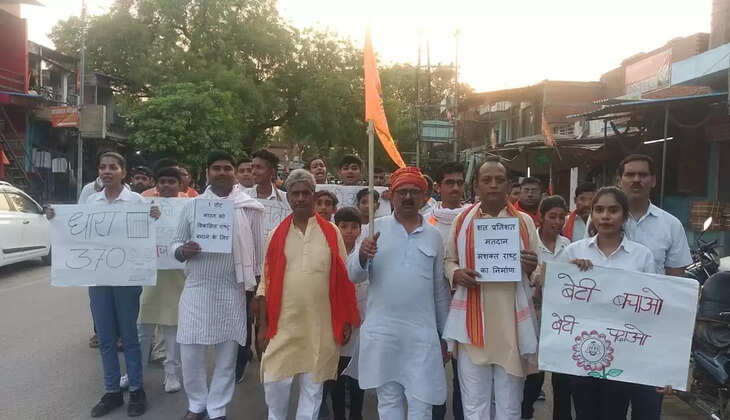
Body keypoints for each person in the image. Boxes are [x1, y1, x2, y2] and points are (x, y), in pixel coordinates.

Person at [46, 152, 151, 417]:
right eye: (102, 167)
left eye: (113, 167)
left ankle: (136, 389)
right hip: (99, 278)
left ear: (123, 172)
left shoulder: (137, 202)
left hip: (127, 280)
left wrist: (156, 217)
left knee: (129, 336)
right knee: (105, 338)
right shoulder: (91, 201)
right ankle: (112, 391)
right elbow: (74, 229)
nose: (107, 171)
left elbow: (147, 235)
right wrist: (55, 216)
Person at [348, 166, 451, 420]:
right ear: (391, 196)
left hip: (421, 336)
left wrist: (445, 334)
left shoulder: (434, 236)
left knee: (422, 404)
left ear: (424, 197)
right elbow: (354, 275)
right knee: (389, 403)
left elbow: (439, 290)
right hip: (383, 334)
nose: (407, 197)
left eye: (414, 192)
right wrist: (362, 254)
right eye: (401, 191)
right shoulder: (375, 229)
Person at [256, 169, 360, 420]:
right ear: (289, 197)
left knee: (312, 392)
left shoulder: (331, 232)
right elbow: (265, 284)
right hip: (283, 326)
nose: (301, 198)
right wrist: (262, 327)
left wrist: (346, 319)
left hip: (320, 326)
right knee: (275, 383)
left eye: (306, 193)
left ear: (313, 195)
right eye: (295, 193)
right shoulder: (275, 234)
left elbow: (343, 279)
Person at [171, 150, 266, 420]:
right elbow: (175, 243)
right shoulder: (193, 206)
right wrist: (183, 250)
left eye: (227, 168)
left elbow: (259, 257)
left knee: (227, 356)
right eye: (216, 168)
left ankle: (217, 409)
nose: (222, 172)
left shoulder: (250, 208)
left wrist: (256, 295)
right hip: (197, 288)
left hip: (232, 290)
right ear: (207, 172)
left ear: (234, 172)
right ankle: (196, 404)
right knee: (190, 351)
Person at [444, 156, 540, 420]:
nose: (494, 185)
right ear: (476, 186)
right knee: (474, 405)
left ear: (509, 185)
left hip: (511, 325)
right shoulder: (462, 221)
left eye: (500, 180)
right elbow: (448, 260)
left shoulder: (524, 222)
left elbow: (539, 267)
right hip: (472, 326)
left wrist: (531, 266)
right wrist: (456, 273)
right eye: (487, 180)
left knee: (510, 405)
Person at [556, 187, 657, 420]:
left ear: (625, 215)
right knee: (584, 413)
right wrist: (569, 272)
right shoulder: (574, 251)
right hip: (580, 353)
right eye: (599, 210)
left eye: (613, 210)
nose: (605, 216)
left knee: (615, 413)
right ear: (592, 214)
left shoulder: (642, 256)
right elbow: (553, 294)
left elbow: (651, 309)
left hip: (623, 354)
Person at [614, 154, 692, 419]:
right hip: (610, 329)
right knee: (608, 409)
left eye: (643, 174)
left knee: (647, 410)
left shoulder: (671, 225)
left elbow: (677, 289)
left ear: (653, 180)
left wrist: (671, 358)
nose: (636, 180)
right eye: (630, 174)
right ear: (620, 180)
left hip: (651, 335)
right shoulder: (603, 220)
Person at [521, 196, 572, 420]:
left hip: (561, 319)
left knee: (562, 380)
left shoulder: (569, 246)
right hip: (534, 316)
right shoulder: (530, 244)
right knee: (533, 377)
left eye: (561, 217)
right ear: (541, 217)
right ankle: (525, 414)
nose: (557, 222)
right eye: (552, 216)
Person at [138, 166, 186, 394]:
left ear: (180, 185)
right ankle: (136, 372)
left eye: (171, 181)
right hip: (149, 273)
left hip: (176, 274)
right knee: (143, 325)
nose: (166, 185)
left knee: (171, 327)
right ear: (156, 185)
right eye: (162, 181)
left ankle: (171, 373)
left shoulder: (189, 207)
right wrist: (147, 218)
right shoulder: (144, 206)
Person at [428, 161, 468, 420]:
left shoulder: (474, 219)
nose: (455, 188)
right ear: (438, 187)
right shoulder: (426, 222)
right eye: (449, 183)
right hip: (433, 306)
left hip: (466, 304)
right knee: (434, 369)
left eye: (459, 183)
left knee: (463, 371)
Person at [324, 207, 368, 420]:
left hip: (361, 320)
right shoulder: (330, 254)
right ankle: (338, 414)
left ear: (360, 229)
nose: (349, 231)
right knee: (337, 375)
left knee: (359, 375)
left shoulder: (365, 254)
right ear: (337, 227)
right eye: (344, 226)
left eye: (354, 227)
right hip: (336, 322)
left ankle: (356, 414)